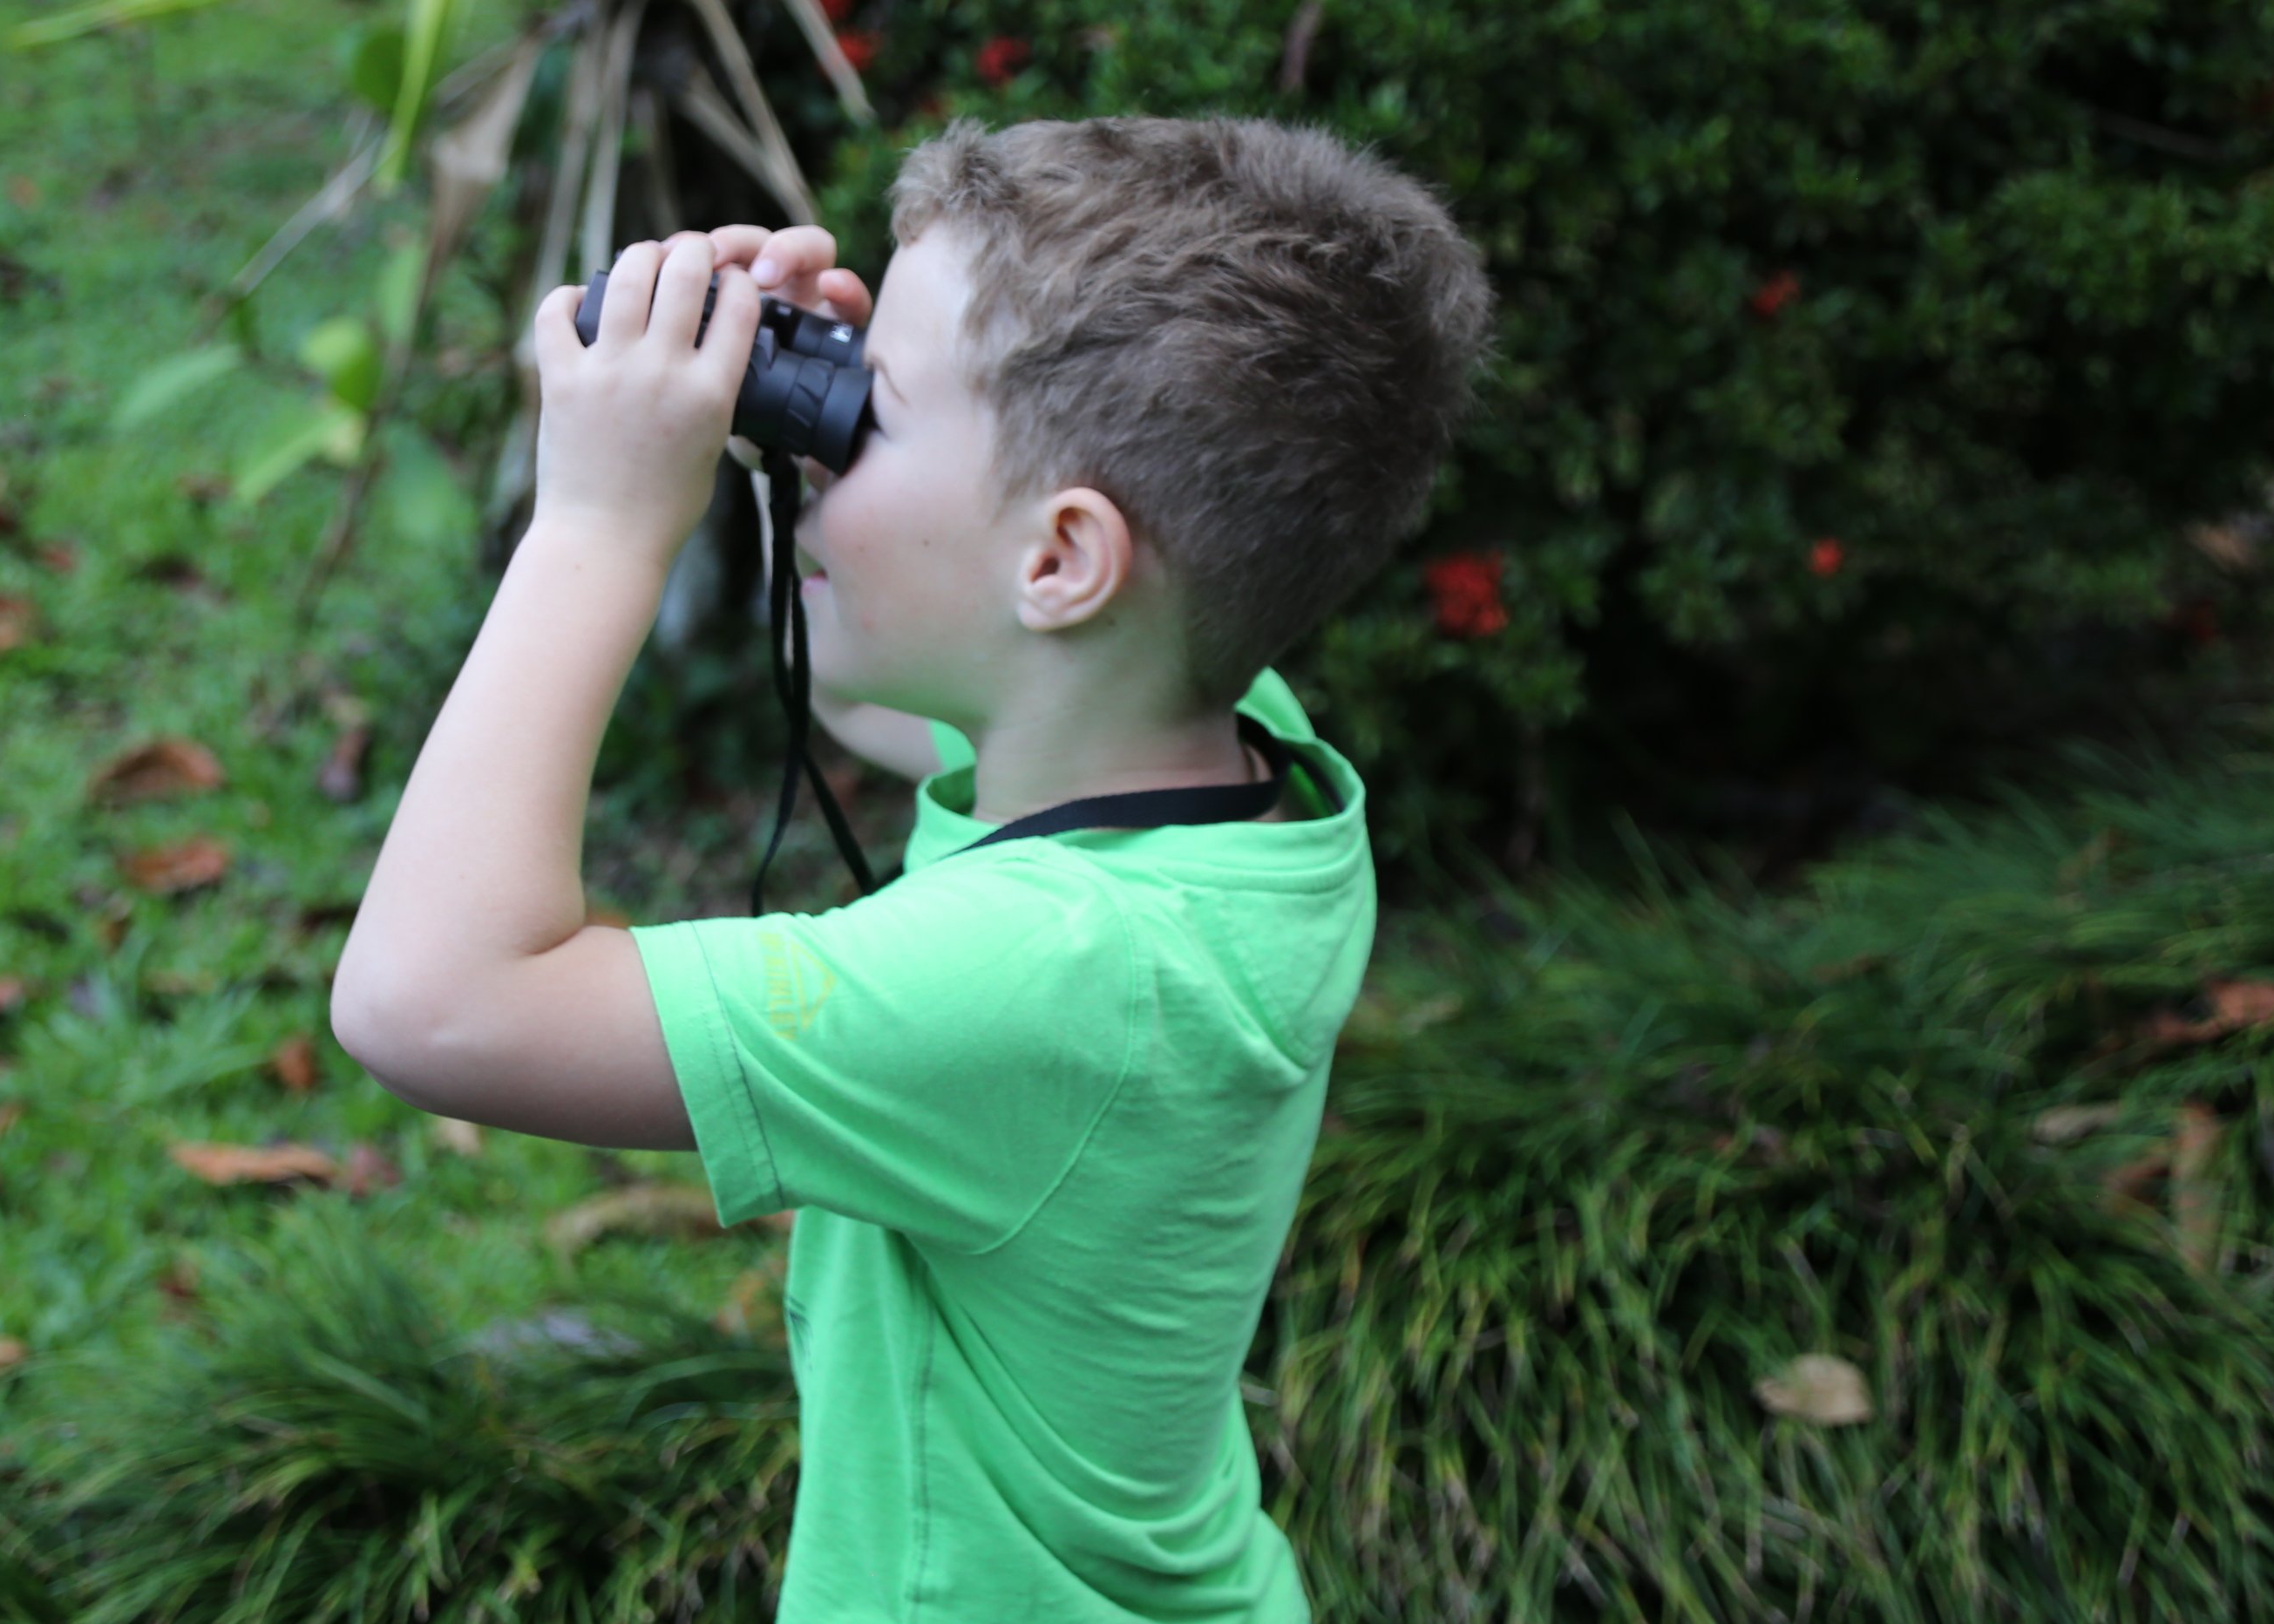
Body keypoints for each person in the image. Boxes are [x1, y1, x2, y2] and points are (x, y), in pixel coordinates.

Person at [333, 114, 1495, 1621]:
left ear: (1064, 562)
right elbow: (890, 681)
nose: (826, 434)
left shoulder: (1043, 984)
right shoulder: (1229, 755)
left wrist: (598, 522)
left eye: (871, 409)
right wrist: (807, 438)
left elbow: (430, 1001)